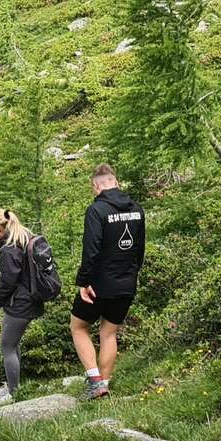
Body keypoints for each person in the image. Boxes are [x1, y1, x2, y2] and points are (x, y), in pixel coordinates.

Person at [70, 164, 145, 399]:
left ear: (95, 186)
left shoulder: (97, 210)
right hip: (127, 282)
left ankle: (94, 381)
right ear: (116, 182)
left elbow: (90, 250)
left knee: (79, 327)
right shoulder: (137, 210)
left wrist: (83, 281)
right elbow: (139, 249)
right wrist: (132, 275)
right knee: (109, 333)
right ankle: (103, 385)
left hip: (100, 283)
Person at [0, 207, 55, 402]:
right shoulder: (25, 237)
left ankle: (14, 392)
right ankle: (13, 383)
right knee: (13, 344)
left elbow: (8, 282)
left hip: (19, 304)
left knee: (7, 346)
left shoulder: (9, 250)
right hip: (31, 299)